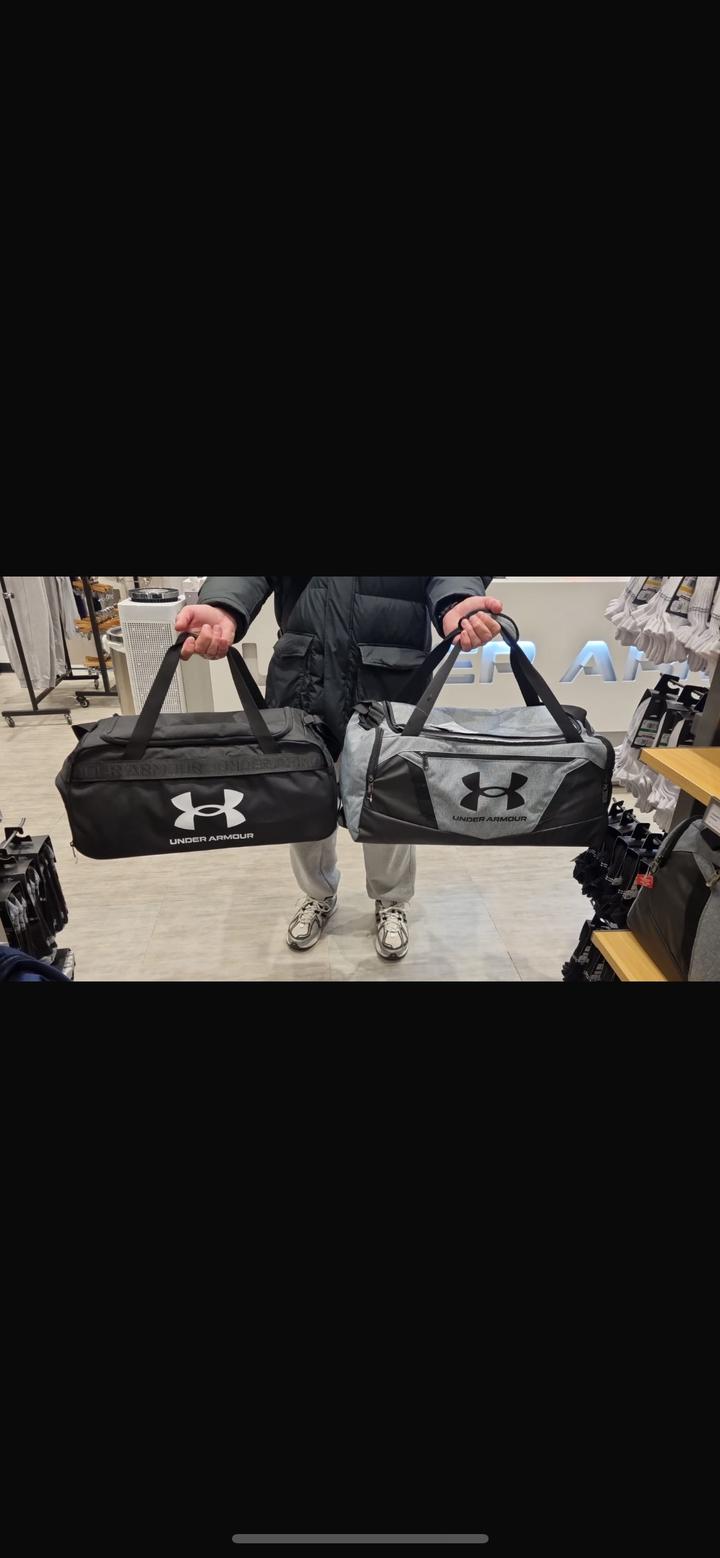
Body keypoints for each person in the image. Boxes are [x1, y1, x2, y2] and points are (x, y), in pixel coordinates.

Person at [176, 577, 502, 961]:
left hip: (389, 678)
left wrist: (456, 599)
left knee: (389, 801)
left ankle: (391, 898)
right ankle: (318, 893)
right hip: (304, 675)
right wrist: (224, 605)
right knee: (303, 801)